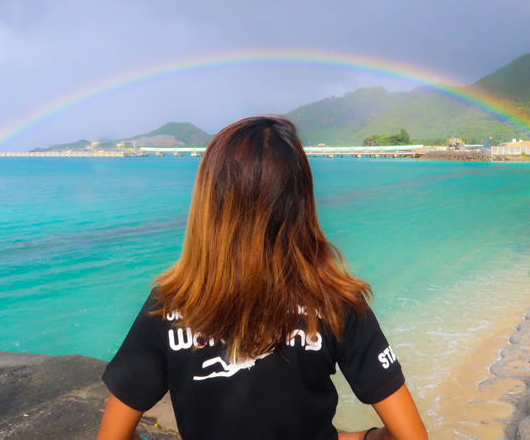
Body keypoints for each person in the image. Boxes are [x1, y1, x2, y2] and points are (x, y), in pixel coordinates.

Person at [97, 116, 428, 440]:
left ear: (209, 202)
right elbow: (410, 436)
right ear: (301, 200)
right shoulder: (335, 301)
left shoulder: (169, 305)